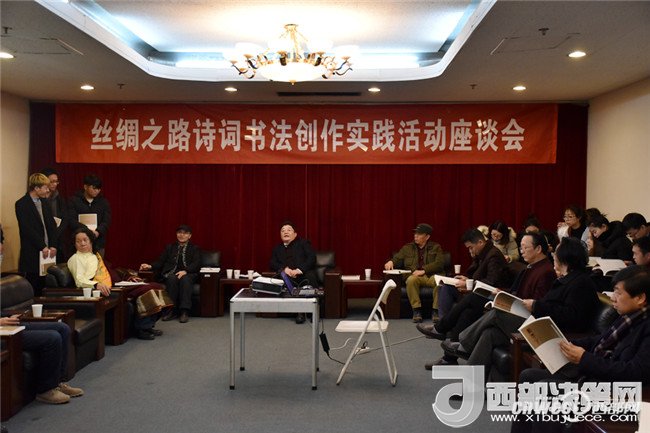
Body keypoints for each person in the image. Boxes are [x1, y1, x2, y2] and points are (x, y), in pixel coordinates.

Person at [510, 266, 650, 433]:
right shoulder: (628, 317)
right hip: (596, 377)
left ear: (640, 298)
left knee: (545, 389)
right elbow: (598, 340)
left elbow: (635, 372)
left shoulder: (646, 326)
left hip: (619, 393)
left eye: (618, 293)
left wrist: (584, 359)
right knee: (528, 376)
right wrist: (564, 343)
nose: (613, 298)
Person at [444, 237, 600, 381]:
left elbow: (572, 316)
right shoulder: (566, 279)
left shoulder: (581, 283)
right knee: (490, 333)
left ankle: (465, 343)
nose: (553, 255)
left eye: (556, 252)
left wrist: (536, 306)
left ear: (565, 257)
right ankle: (470, 388)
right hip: (540, 324)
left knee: (497, 314)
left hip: (552, 333)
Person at [419, 232, 556, 369]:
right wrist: (503, 293)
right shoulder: (530, 267)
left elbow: (537, 306)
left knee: (489, 309)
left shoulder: (546, 272)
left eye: (525, 248)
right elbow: (515, 292)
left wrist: (508, 298)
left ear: (538, 249)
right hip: (516, 311)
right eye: (521, 248)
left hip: (527, 321)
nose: (522, 251)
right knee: (485, 328)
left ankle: (455, 338)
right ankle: (468, 372)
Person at [69, 227, 165, 339]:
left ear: (91, 241)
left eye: (85, 240)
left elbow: (112, 271)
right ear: (74, 244)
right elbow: (79, 280)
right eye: (78, 241)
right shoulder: (76, 259)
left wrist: (129, 278)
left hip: (118, 284)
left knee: (157, 287)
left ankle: (148, 325)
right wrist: (96, 285)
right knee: (150, 289)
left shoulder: (95, 255)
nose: (82, 243)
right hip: (107, 290)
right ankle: (142, 328)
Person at [0, 315, 83, 404]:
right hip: (3, 333)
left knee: (63, 328)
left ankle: (57, 383)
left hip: (6, 325)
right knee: (53, 337)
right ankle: (45, 390)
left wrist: (9, 317)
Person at [436, 228, 510, 319]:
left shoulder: (493, 256)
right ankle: (443, 320)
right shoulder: (482, 253)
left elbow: (491, 282)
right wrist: (466, 279)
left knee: (447, 288)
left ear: (480, 242)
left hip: (487, 295)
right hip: (476, 289)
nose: (470, 250)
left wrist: (468, 284)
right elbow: (474, 273)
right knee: (444, 285)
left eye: (471, 247)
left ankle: (443, 322)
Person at [384, 223, 445, 323]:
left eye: (419, 234)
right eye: (415, 233)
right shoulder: (407, 248)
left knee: (440, 282)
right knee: (411, 280)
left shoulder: (436, 247)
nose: (415, 236)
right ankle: (416, 310)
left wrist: (424, 270)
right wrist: (391, 261)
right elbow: (397, 258)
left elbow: (440, 263)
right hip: (416, 277)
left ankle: (436, 311)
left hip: (431, 275)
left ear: (427, 237)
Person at [140, 224, 200, 324]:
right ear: (176, 234)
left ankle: (184, 311)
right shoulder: (170, 247)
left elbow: (196, 263)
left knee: (185, 279)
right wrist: (150, 266)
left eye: (185, 233)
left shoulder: (194, 248)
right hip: (172, 273)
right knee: (171, 278)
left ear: (190, 236)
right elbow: (161, 261)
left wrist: (185, 271)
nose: (182, 235)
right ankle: (171, 310)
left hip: (188, 273)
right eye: (179, 233)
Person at [15, 173, 58, 294]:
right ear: (36, 188)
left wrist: (53, 245)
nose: (48, 190)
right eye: (45, 187)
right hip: (33, 251)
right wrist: (42, 246)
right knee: (34, 285)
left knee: (46, 285)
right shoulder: (22, 204)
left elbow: (52, 226)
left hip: (48, 252)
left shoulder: (45, 202)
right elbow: (27, 229)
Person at [270, 221, 317, 324]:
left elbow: (311, 258)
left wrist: (299, 270)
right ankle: (299, 312)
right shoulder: (277, 248)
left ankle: (314, 312)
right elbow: (272, 263)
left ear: (295, 234)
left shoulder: (303, 243)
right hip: (288, 276)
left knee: (311, 277)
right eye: (283, 231)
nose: (285, 232)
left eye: (289, 230)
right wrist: (284, 269)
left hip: (304, 273)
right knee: (283, 279)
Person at [68, 174, 111, 257]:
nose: (96, 191)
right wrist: (86, 231)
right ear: (85, 187)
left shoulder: (103, 202)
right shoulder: (74, 201)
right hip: (80, 242)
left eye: (98, 189)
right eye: (94, 188)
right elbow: (71, 220)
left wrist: (98, 231)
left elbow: (106, 221)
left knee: (97, 264)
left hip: (98, 242)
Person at [40, 167, 68, 262]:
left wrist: (56, 233)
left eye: (56, 181)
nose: (55, 184)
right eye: (52, 182)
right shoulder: (38, 199)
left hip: (57, 239)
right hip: (42, 239)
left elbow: (65, 218)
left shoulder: (59, 199)